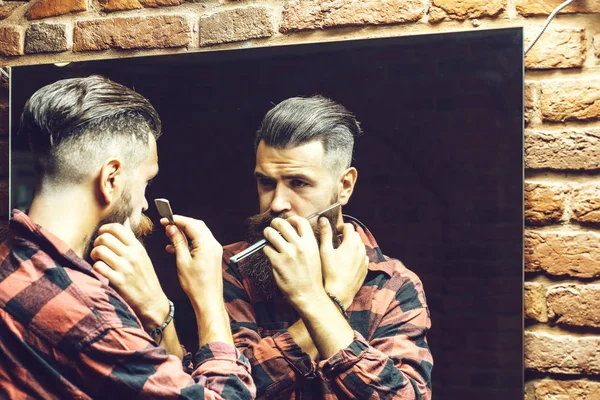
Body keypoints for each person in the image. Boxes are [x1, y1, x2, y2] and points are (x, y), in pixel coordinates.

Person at [0, 76, 255, 399]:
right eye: (146, 181)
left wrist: (158, 312)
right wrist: (209, 300)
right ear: (111, 178)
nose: (145, 203)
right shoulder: (88, 313)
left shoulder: (12, 261)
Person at [221, 96, 433, 399]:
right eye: (266, 183)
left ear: (344, 186)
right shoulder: (231, 267)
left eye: (298, 183)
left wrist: (313, 300)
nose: (277, 203)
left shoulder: (393, 285)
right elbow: (228, 388)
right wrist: (335, 300)